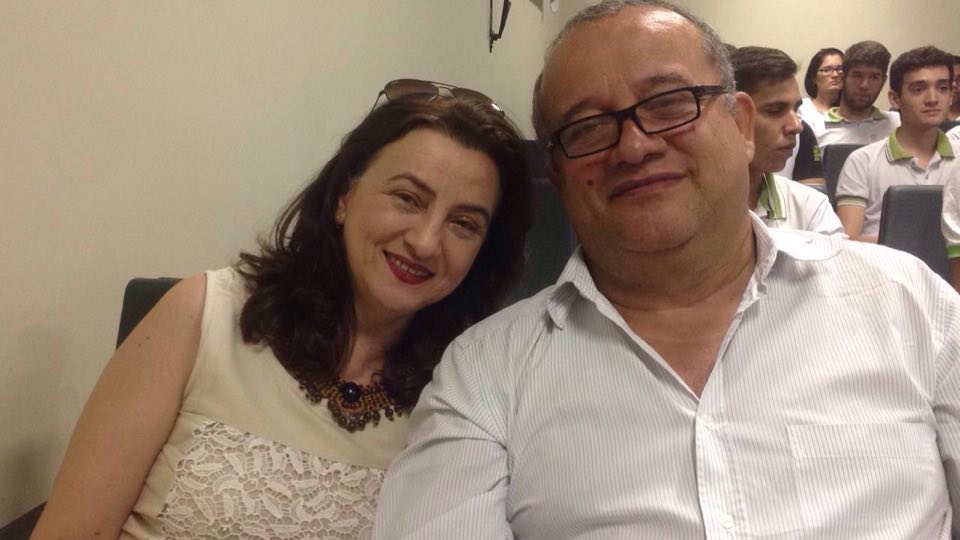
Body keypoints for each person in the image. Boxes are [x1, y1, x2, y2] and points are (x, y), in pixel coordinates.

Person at [374, 1, 960, 538]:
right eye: (586, 127)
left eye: (669, 103)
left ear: (740, 125)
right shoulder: (487, 372)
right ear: (558, 173)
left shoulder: (908, 303)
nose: (634, 147)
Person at [30, 80, 532, 539]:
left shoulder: (468, 397)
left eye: (464, 224)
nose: (425, 242)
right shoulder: (203, 315)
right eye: (407, 198)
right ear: (344, 195)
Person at [836, 46, 959, 242]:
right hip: (881, 261)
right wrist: (920, 244)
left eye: (942, 88)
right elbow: (849, 241)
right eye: (918, 90)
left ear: (952, 94)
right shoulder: (862, 161)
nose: (933, 99)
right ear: (895, 99)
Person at [730, 46, 842, 235]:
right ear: (736, 116)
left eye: (796, 109)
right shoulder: (686, 206)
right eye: (775, 110)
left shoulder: (811, 209)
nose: (797, 126)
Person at [812, 40, 900, 148]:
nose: (864, 85)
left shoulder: (897, 123)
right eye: (857, 75)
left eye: (874, 77)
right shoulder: (815, 127)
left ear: (883, 81)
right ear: (843, 77)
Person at [798, 47, 844, 126]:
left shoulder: (851, 110)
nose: (835, 75)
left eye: (840, 69)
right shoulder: (802, 109)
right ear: (813, 77)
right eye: (827, 70)